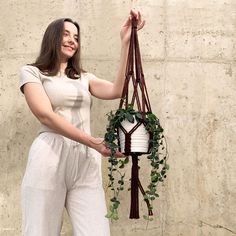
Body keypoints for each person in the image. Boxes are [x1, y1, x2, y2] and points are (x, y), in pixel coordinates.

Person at [19, 9, 145, 236]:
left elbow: (118, 90)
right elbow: (45, 115)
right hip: (49, 155)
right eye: (66, 34)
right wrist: (93, 142)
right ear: (52, 37)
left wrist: (125, 42)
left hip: (86, 160)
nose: (72, 41)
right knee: (40, 231)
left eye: (76, 37)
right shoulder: (32, 73)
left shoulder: (84, 78)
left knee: (96, 231)